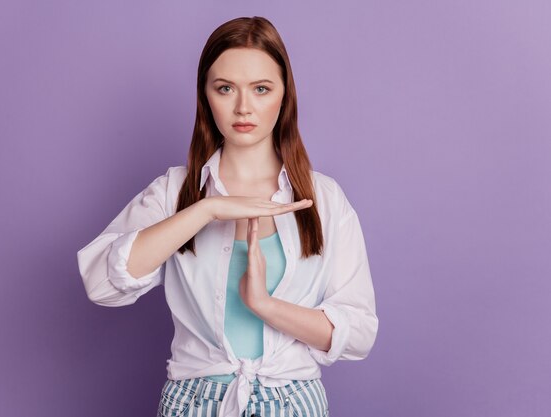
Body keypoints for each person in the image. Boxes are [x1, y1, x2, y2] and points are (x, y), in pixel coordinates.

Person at [77, 15, 378, 417]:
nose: (243, 107)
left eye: (261, 89)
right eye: (225, 88)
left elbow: (358, 333)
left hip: (294, 403)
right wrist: (208, 208)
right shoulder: (174, 191)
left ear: (284, 95)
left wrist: (264, 305)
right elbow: (101, 283)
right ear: (205, 96)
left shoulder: (323, 198)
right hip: (193, 403)